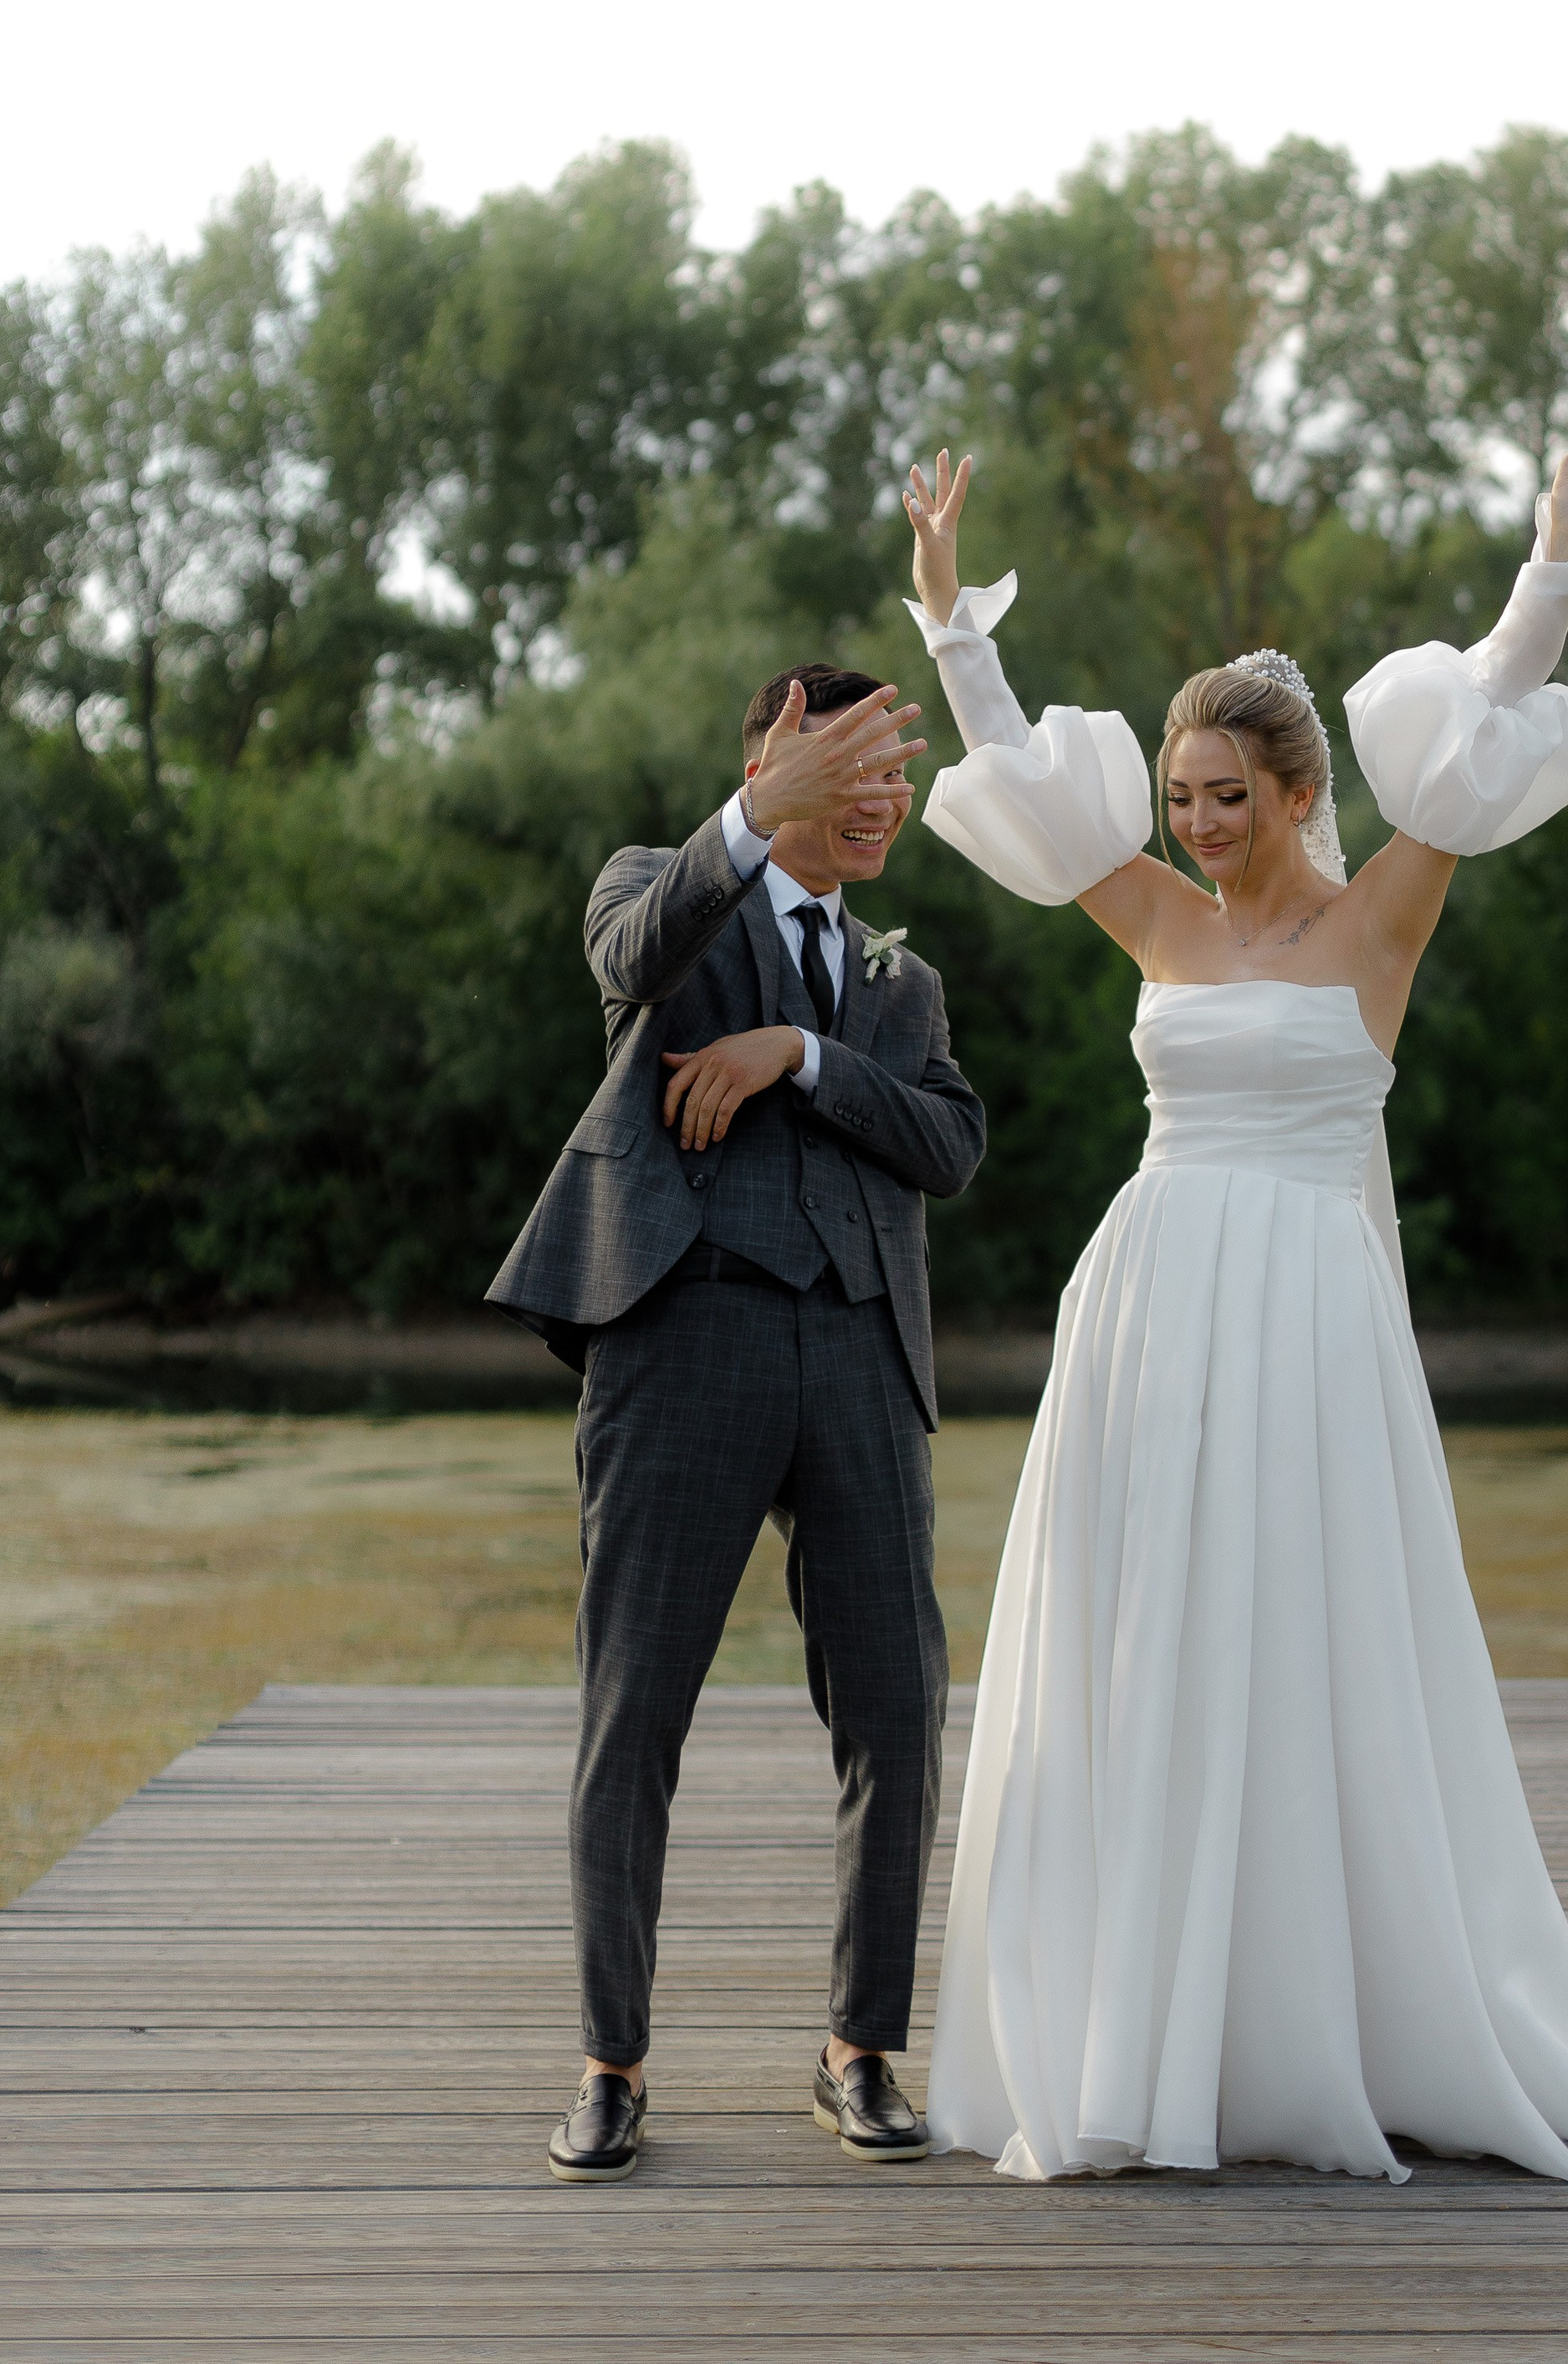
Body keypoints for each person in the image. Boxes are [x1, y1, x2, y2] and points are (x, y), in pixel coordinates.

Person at [900, 442, 1568, 2185]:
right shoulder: (1156, 917)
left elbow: (1477, 737)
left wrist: (1550, 571)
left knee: (1307, 1639)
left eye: (1225, 794)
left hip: (1311, 1317)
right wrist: (954, 628)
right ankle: (1149, 2029)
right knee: (1154, 1639)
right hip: (1153, 1308)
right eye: (1179, 792)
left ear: (1297, 786)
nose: (1193, 820)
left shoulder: (1380, 915)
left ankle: (1329, 2022)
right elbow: (1018, 780)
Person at [484, 665, 986, 2181]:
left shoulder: (899, 985)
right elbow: (636, 963)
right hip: (683, 1337)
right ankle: (611, 2064)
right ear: (778, 759)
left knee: (897, 1708)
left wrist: (802, 1059)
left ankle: (860, 2053)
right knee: (635, 1711)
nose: (890, 796)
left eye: (900, 775)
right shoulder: (662, 887)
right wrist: (751, 822)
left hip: (858, 1353)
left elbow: (952, 1144)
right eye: (860, 765)